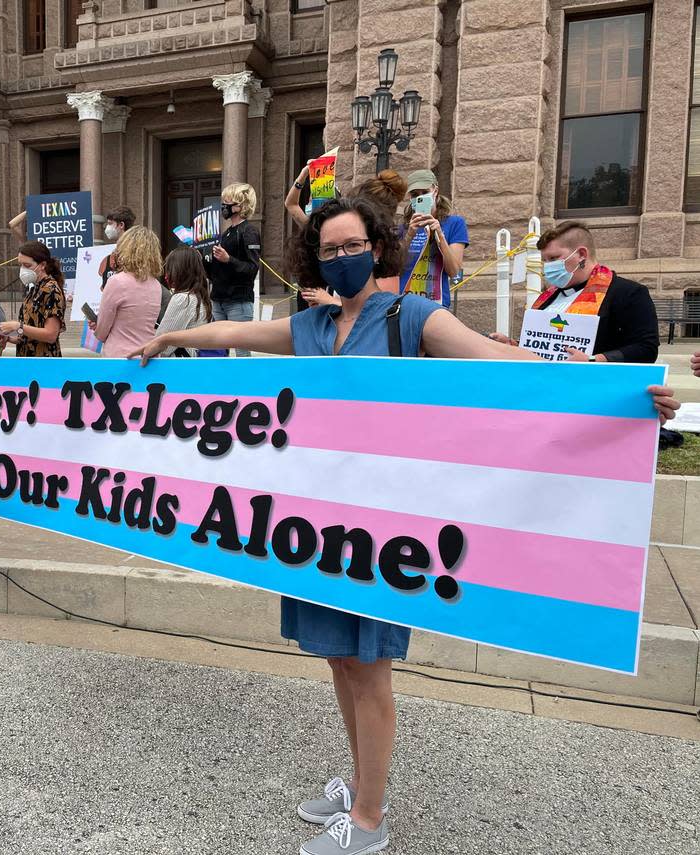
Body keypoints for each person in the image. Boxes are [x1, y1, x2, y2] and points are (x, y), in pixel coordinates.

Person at [129, 194, 679, 855]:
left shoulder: (410, 315)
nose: (341, 258)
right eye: (328, 249)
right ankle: (361, 779)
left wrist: (617, 391)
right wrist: (170, 338)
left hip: (383, 530)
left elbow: (500, 361)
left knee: (370, 666)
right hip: (314, 527)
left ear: (377, 247)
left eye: (352, 245)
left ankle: (369, 818)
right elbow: (231, 335)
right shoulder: (309, 324)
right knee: (339, 657)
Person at [492, 221, 658, 364]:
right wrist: (512, 344)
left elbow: (646, 349)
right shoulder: (548, 297)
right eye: (545, 260)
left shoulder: (628, 293)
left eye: (553, 258)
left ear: (581, 254)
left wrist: (593, 359)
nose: (547, 266)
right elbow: (546, 344)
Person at [205, 182, 261, 356]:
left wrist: (228, 259)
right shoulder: (227, 233)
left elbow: (252, 269)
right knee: (219, 352)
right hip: (219, 299)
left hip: (238, 301)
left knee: (241, 353)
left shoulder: (249, 231)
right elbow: (217, 273)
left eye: (227, 201)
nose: (224, 205)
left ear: (240, 205)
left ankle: (245, 383)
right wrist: (202, 261)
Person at [398, 169, 467, 309]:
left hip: (436, 304)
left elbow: (454, 272)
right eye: (415, 195)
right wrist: (410, 235)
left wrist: (439, 234)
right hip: (405, 303)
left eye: (425, 192)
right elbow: (394, 268)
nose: (420, 197)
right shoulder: (403, 228)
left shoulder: (454, 223)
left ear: (435, 190)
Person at [93, 225, 163, 358]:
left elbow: (102, 332)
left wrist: (97, 326)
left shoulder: (116, 281)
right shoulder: (156, 285)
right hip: (147, 355)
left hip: (120, 357)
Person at [0, 241, 66, 357]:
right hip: (27, 361)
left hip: (44, 363)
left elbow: (50, 335)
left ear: (42, 265)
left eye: (27, 265)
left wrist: (18, 326)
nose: (23, 269)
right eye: (21, 264)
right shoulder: (34, 288)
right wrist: (9, 337)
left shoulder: (51, 290)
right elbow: (28, 335)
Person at [155, 246, 214, 356]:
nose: (167, 274)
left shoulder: (182, 299)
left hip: (180, 367)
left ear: (179, 270)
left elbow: (161, 346)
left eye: (169, 268)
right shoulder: (199, 297)